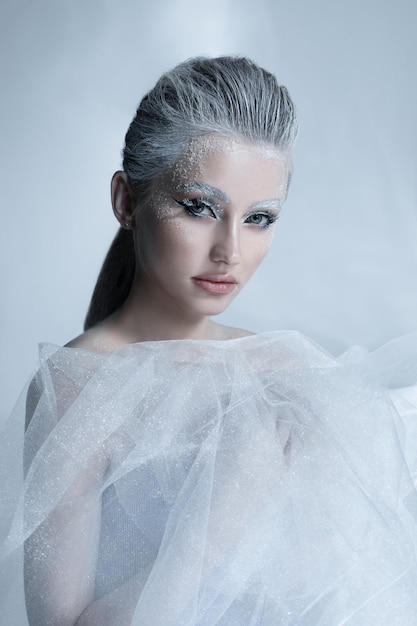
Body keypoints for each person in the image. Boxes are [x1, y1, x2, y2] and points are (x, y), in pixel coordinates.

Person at [1, 56, 417, 626]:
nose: (231, 251)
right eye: (198, 207)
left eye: (259, 218)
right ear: (126, 201)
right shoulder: (78, 387)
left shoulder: (287, 369)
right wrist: (219, 522)